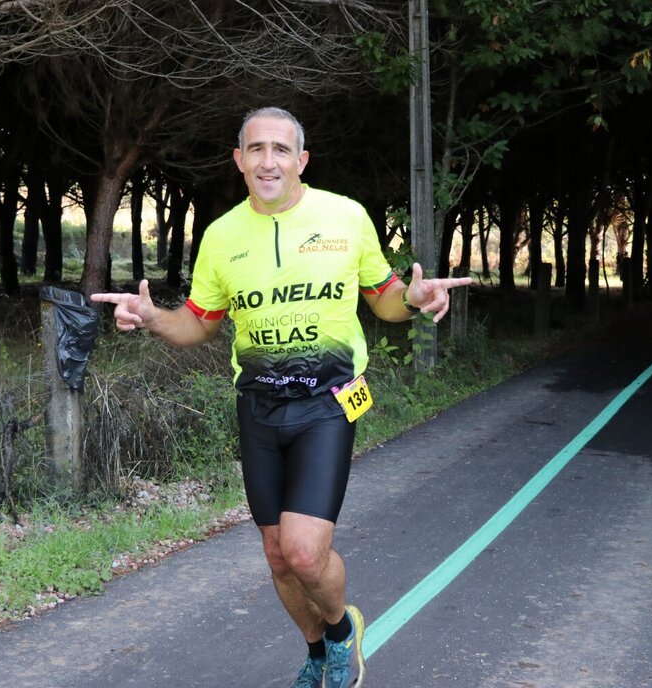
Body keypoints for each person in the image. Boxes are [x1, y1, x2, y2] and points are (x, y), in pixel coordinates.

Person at [92, 107, 472, 688]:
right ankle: (319, 653)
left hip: (328, 403)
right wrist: (152, 317)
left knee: (303, 552)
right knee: (276, 554)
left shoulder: (345, 217)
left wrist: (415, 298)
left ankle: (343, 632)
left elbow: (385, 298)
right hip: (259, 408)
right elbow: (199, 324)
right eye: (256, 149)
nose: (268, 161)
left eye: (281, 149)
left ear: (302, 160)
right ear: (239, 161)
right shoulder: (221, 236)